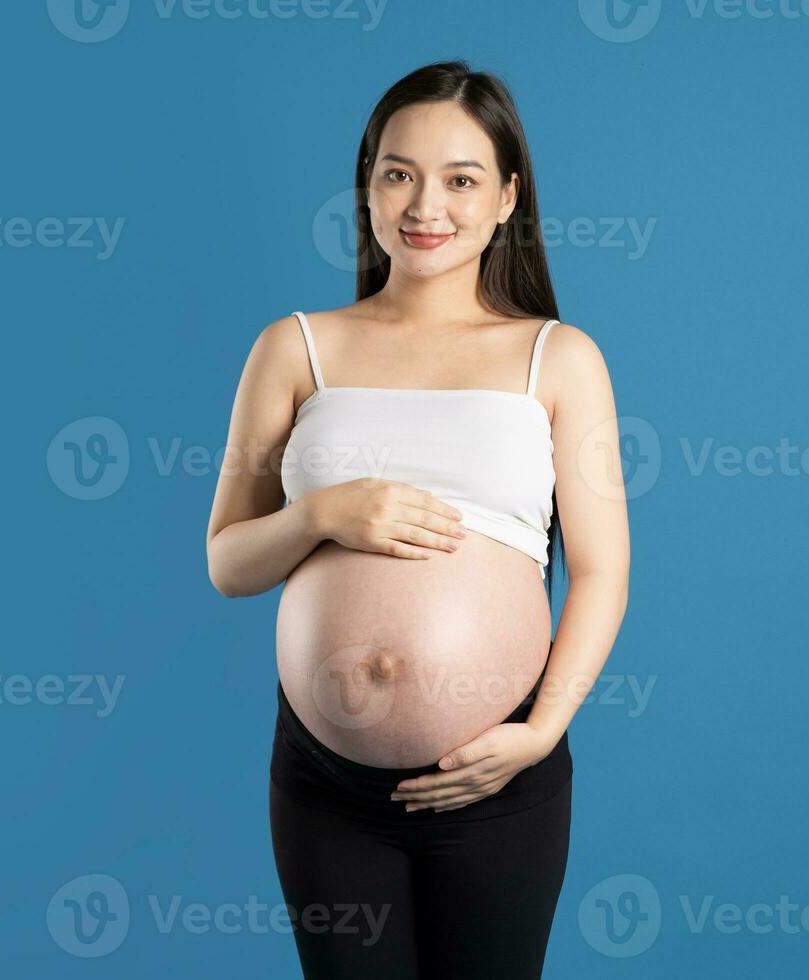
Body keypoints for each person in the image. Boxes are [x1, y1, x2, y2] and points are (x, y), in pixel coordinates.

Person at [206, 60, 630, 980]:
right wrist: (322, 513)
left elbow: (600, 572)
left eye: (461, 179)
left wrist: (540, 732)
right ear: (367, 185)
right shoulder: (294, 347)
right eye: (398, 172)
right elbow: (229, 562)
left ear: (509, 196)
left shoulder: (558, 360)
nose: (424, 204)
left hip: (498, 779)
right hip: (326, 786)